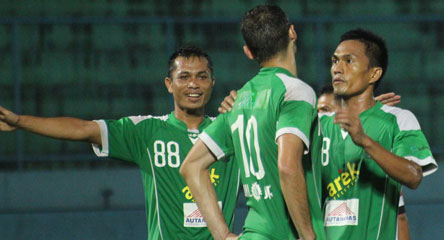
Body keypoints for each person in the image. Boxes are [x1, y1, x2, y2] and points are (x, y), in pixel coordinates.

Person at [0, 46, 240, 240]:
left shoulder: (231, 130)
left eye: (202, 76)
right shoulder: (147, 131)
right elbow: (83, 129)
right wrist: (21, 121)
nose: (194, 84)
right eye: (184, 77)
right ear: (169, 84)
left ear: (212, 83)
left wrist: (245, 107)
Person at [180, 5, 322, 240]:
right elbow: (287, 166)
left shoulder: (239, 100)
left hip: (254, 232)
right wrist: (308, 235)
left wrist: (224, 236)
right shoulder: (295, 91)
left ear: (248, 52)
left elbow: (191, 166)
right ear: (292, 33)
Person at [316, 28, 438, 239]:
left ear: (374, 73)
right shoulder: (317, 126)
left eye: (348, 61)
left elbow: (414, 176)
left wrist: (365, 141)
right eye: (335, 61)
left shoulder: (398, 120)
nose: (337, 68)